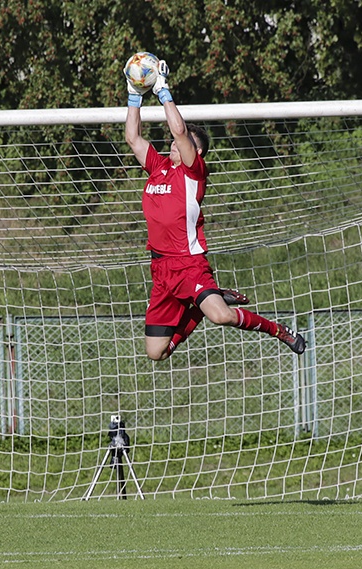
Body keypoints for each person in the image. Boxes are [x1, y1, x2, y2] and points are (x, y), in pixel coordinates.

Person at [124, 58, 306, 361]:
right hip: (161, 270)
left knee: (221, 316)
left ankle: (278, 330)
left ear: (196, 153)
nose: (172, 142)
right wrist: (134, 94)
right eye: (172, 141)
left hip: (188, 264)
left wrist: (163, 90)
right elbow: (133, 137)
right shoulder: (159, 168)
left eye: (181, 143)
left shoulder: (193, 172)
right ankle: (197, 305)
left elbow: (181, 131)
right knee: (157, 353)